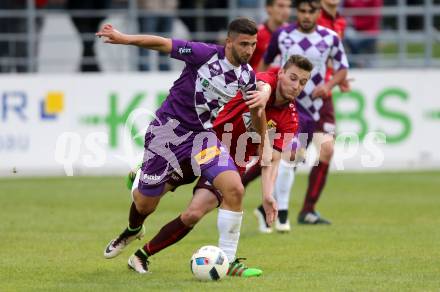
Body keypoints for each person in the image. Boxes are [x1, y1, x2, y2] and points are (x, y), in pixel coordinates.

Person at [96, 17, 275, 275]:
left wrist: (263, 142)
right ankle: (133, 230)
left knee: (234, 188)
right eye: (244, 44)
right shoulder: (204, 54)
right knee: (145, 204)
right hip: (166, 132)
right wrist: (124, 39)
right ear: (229, 42)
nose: (249, 50)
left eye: (253, 45)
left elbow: (257, 112)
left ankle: (228, 259)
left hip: (202, 137)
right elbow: (162, 44)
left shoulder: (247, 76)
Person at [125, 54, 313, 275]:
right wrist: (262, 97)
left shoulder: (290, 119)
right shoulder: (262, 80)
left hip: (230, 165)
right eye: (293, 78)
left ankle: (141, 255)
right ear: (280, 73)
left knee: (194, 214)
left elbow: (271, 159)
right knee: (146, 199)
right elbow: (264, 88)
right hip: (203, 145)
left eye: (303, 82)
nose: (296, 85)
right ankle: (143, 175)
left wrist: (267, 195)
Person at [253, 0, 349, 230]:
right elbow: (266, 63)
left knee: (326, 149)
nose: (306, 15)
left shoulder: (330, 36)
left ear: (319, 13)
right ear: (298, 12)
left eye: (311, 11)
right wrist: (261, 87)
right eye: (303, 11)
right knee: (285, 155)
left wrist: (329, 86)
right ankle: (270, 206)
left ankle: (307, 209)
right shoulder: (283, 34)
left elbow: (343, 68)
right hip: (292, 104)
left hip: (319, 101)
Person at [249, 0, 292, 71]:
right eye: (281, 6)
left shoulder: (293, 34)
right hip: (259, 80)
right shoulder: (255, 34)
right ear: (268, 8)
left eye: (288, 6)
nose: (286, 10)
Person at [343, 0, 382, 67]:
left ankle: (359, 63)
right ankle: (357, 63)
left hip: (370, 32)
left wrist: (355, 23)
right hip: (355, 31)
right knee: (347, 35)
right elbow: (346, 11)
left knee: (351, 38)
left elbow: (373, 19)